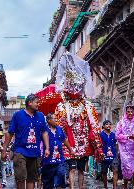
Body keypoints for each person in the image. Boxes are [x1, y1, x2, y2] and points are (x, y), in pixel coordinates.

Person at [54, 52, 103, 189]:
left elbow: (94, 125)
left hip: (83, 142)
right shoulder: (62, 106)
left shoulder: (88, 105)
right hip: (68, 142)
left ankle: (80, 187)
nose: (75, 90)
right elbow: (58, 127)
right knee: (71, 169)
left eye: (78, 87)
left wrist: (98, 146)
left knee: (81, 169)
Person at [2, 94, 50, 189]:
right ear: (29, 103)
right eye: (36, 102)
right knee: (20, 178)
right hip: (20, 151)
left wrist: (47, 148)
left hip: (35, 153)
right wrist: (4, 150)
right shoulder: (18, 115)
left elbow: (44, 132)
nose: (38, 104)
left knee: (31, 179)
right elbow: (10, 133)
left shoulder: (40, 116)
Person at [115, 102, 134, 189]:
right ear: (126, 112)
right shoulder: (121, 123)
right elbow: (117, 135)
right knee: (127, 169)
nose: (130, 113)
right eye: (128, 111)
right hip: (125, 151)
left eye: (131, 111)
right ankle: (125, 186)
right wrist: (128, 136)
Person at [41, 113, 74, 189]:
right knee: (48, 184)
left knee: (61, 175)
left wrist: (70, 149)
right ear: (49, 120)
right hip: (48, 161)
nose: (56, 120)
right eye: (54, 119)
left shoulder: (59, 129)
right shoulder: (44, 130)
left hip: (60, 160)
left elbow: (64, 140)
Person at [100, 120, 118, 189]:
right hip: (104, 156)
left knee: (115, 170)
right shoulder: (100, 135)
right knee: (104, 172)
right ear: (103, 126)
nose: (108, 125)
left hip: (113, 156)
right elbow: (98, 145)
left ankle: (114, 187)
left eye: (110, 124)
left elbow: (116, 144)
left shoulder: (113, 135)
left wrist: (117, 152)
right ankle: (105, 187)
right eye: (107, 124)